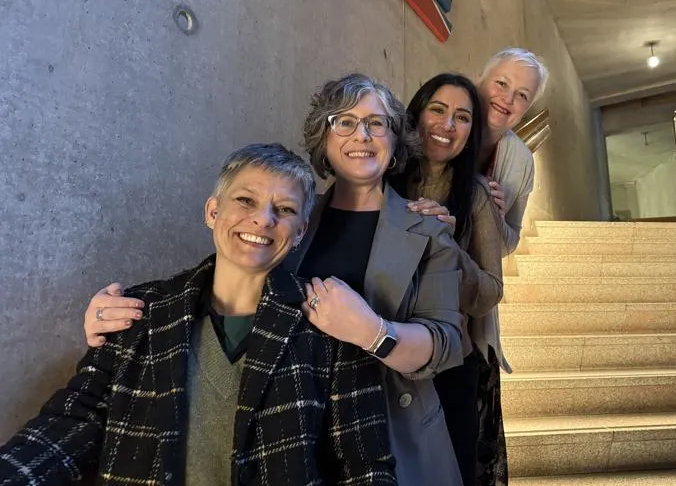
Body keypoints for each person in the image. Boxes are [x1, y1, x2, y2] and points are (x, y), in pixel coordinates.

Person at [81, 75, 465, 486]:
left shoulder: (426, 228)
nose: (362, 135)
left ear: (394, 146)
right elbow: (224, 281)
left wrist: (373, 332)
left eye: (377, 123)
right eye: (345, 122)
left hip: (394, 427)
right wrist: (120, 317)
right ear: (324, 138)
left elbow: (447, 343)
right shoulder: (287, 214)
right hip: (292, 429)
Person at [0, 143, 396, 486]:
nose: (263, 219)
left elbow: (364, 464)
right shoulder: (138, 314)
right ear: (212, 211)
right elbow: (68, 425)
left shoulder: (330, 325)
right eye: (246, 200)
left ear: (299, 233)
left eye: (285, 209)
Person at [390, 74, 505, 486]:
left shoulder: (475, 195)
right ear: (417, 112)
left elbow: (490, 292)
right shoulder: (382, 177)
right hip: (381, 351)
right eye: (437, 110)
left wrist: (448, 246)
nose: (447, 125)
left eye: (462, 117)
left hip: (450, 366)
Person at [476, 48, 550, 256]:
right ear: (479, 79)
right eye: (501, 83)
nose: (508, 98)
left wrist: (495, 220)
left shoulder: (523, 162)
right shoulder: (443, 123)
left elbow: (509, 245)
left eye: (522, 95)